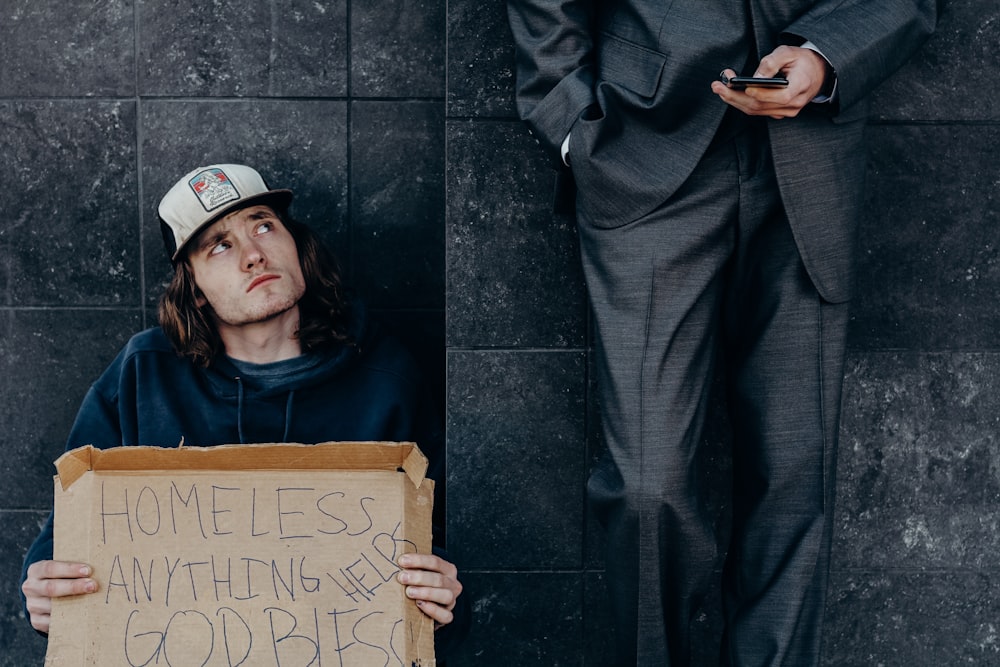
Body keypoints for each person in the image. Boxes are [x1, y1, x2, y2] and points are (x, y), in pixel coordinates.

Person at [507, 2, 936, 665]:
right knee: (648, 489)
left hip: (812, 148)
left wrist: (826, 57)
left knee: (794, 487)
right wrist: (571, 123)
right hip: (643, 150)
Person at [20, 163, 469, 657]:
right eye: (220, 245)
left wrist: (439, 581)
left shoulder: (386, 376)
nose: (254, 255)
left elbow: (440, 530)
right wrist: (44, 587)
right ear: (193, 284)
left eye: (263, 225)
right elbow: (70, 522)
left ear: (294, 242)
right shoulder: (143, 375)